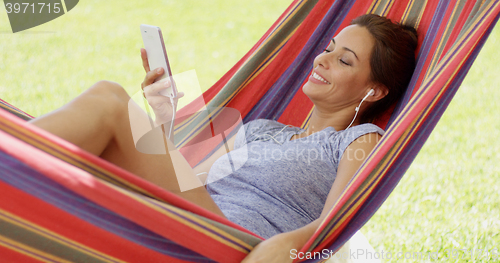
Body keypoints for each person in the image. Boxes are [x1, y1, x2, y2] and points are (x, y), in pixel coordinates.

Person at [29, 14, 417, 263]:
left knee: (109, 99)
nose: (321, 59)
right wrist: (165, 111)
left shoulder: (359, 140)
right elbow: (187, 179)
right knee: (108, 107)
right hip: (191, 218)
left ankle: (16, 153)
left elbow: (335, 226)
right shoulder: (264, 127)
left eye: (344, 60)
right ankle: (18, 162)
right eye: (328, 49)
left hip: (232, 243)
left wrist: (280, 250)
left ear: (376, 92)